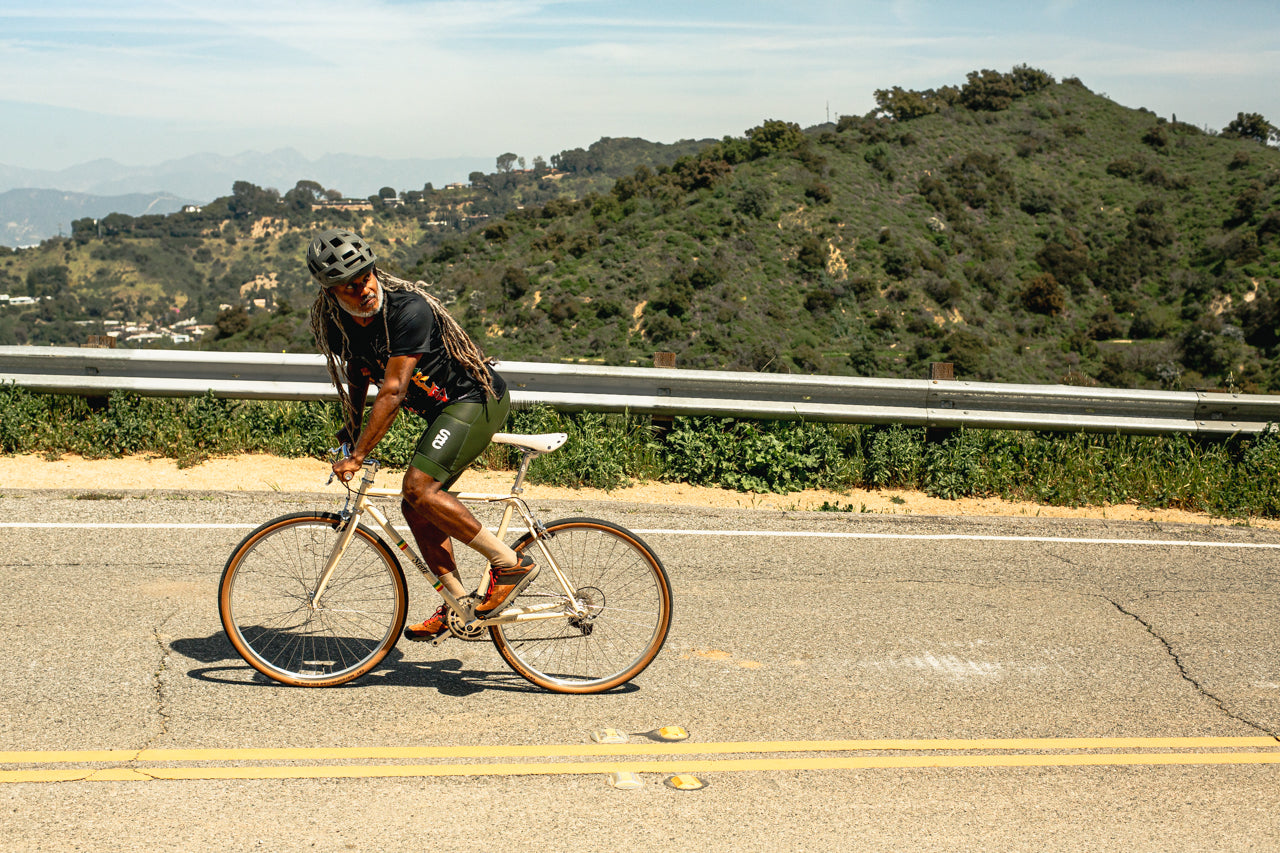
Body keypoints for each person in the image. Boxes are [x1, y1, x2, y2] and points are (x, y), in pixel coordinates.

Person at [306, 227, 536, 641]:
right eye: (349, 288)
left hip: (474, 399)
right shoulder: (336, 320)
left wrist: (358, 454)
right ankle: (459, 606)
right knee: (415, 506)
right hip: (441, 411)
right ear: (330, 293)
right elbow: (358, 373)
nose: (363, 292)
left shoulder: (408, 310)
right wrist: (352, 425)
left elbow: (392, 390)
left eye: (366, 279)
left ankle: (509, 563)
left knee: (418, 489)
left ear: (375, 270)